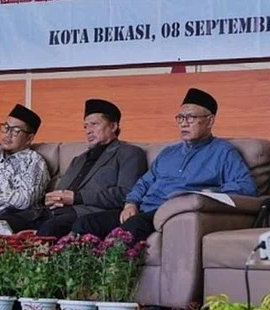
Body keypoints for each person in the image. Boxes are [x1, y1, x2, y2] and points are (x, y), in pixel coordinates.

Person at [72, 88, 258, 242]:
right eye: (180, 118)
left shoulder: (223, 152)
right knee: (86, 224)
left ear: (210, 121)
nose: (184, 124)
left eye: (191, 118)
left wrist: (208, 193)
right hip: (143, 209)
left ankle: (113, 275)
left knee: (131, 228)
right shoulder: (169, 152)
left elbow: (247, 186)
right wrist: (130, 203)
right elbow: (144, 182)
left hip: (168, 213)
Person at [0, 99, 146, 237]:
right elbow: (62, 192)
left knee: (49, 228)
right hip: (51, 211)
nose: (88, 130)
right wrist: (52, 198)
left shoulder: (129, 153)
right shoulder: (79, 159)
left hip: (87, 214)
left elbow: (126, 193)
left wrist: (77, 197)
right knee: (3, 222)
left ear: (113, 126)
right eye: (85, 126)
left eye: (94, 124)